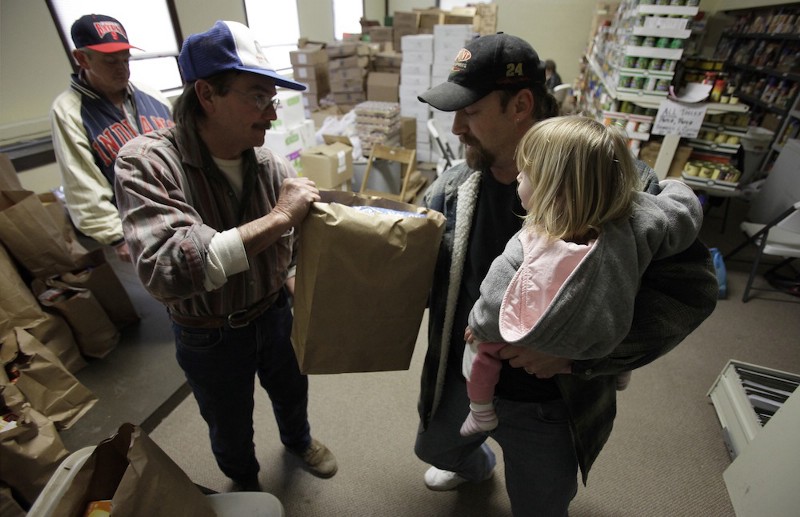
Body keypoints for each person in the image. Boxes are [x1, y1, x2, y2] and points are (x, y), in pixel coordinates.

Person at [415, 32, 717, 516]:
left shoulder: (617, 183)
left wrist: (578, 358)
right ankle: (473, 460)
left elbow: (693, 291)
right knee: (435, 447)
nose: (456, 129)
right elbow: (417, 260)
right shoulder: (457, 184)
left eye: (469, 112)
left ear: (521, 104)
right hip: (468, 371)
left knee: (540, 501)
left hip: (553, 402)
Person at [113, 20, 336, 491]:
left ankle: (299, 441)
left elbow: (290, 250)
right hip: (209, 334)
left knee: (293, 391)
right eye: (257, 96)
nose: (271, 114)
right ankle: (246, 487)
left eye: (272, 99)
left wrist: (307, 294)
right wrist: (279, 218)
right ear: (206, 94)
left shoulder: (270, 164)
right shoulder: (147, 162)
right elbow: (167, 269)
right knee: (229, 423)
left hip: (274, 312)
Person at [459, 117, 702, 437]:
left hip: (542, 342)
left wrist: (477, 326)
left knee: (482, 349)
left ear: (553, 190)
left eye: (527, 173)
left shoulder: (531, 242)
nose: (519, 175)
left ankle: (481, 410)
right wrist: (675, 185)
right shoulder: (639, 219)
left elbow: (494, 298)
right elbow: (684, 211)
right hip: (606, 337)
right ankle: (620, 372)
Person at [50, 14, 174, 262]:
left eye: (125, 59)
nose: (122, 68)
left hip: (180, 211)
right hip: (135, 230)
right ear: (82, 58)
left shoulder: (153, 96)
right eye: (110, 61)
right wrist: (116, 236)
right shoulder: (69, 111)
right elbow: (82, 183)